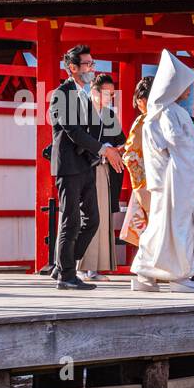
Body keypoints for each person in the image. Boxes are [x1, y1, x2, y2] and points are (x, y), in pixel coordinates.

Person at [130, 50, 194, 292]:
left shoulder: (153, 115)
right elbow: (179, 143)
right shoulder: (171, 112)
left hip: (163, 180)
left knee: (159, 228)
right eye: (184, 85)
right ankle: (179, 275)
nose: (188, 89)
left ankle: (145, 272)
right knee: (179, 227)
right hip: (175, 180)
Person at [48, 44, 124, 291]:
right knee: (70, 220)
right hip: (69, 166)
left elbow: (93, 131)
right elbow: (73, 132)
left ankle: (63, 264)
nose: (92, 68)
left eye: (93, 63)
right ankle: (66, 275)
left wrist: (109, 147)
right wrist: (104, 150)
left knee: (93, 220)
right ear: (72, 68)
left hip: (87, 165)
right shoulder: (62, 93)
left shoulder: (85, 95)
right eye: (88, 64)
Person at [77, 72, 125, 280]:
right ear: (94, 92)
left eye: (112, 94)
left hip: (104, 171)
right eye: (107, 93)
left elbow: (121, 142)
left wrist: (116, 150)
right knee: (85, 217)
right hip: (85, 169)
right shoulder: (81, 112)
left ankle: (95, 268)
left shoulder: (109, 116)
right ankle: (78, 265)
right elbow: (77, 140)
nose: (110, 98)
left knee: (102, 217)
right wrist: (103, 148)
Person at [118, 76, 152, 248]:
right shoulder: (172, 117)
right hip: (167, 180)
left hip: (146, 181)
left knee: (149, 226)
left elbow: (131, 156)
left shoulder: (143, 121)